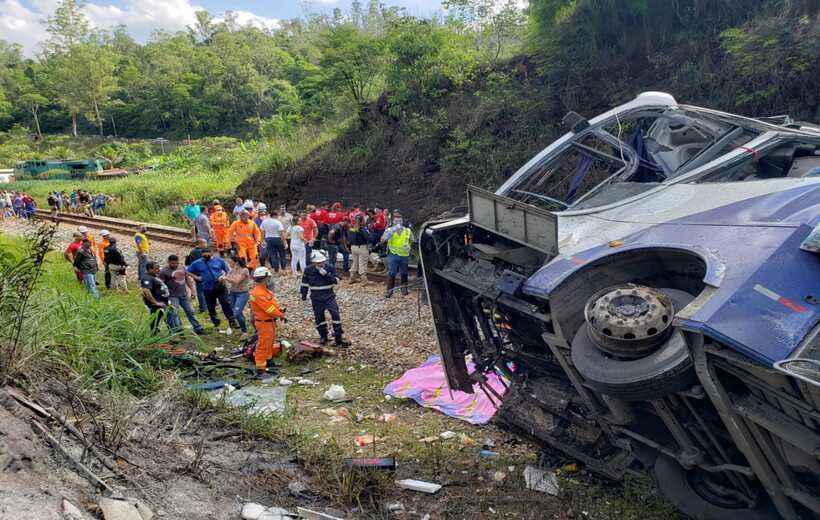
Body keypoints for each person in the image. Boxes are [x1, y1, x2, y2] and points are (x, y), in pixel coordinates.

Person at [300, 251, 351, 348]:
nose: (321, 264)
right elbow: (304, 283)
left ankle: (338, 338)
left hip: (329, 297)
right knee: (319, 318)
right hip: (316, 298)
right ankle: (323, 336)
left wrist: (326, 275)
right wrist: (304, 294)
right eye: (318, 263)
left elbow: (336, 280)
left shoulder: (329, 267)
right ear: (314, 263)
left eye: (322, 262)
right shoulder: (308, 270)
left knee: (335, 315)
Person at [186, 247, 238, 333]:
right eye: (204, 254)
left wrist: (224, 276)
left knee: (225, 302)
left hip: (220, 286)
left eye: (208, 254)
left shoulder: (219, 261)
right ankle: (216, 322)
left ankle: (232, 321)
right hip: (207, 288)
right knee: (211, 307)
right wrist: (196, 277)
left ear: (212, 253)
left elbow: (227, 270)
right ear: (202, 254)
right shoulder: (197, 263)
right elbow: (188, 271)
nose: (206, 255)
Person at [248, 266, 286, 376]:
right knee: (263, 345)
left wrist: (279, 311)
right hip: (264, 322)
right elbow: (268, 309)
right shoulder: (259, 293)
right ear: (265, 278)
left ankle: (269, 362)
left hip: (269, 322)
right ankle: (260, 368)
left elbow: (272, 305)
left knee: (269, 343)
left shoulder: (265, 291)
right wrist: (281, 315)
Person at [160, 255, 204, 335]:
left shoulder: (182, 268)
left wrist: (193, 290)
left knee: (190, 311)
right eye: (173, 263)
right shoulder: (164, 271)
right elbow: (161, 284)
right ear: (168, 262)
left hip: (183, 294)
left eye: (176, 263)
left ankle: (198, 328)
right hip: (172, 296)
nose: (175, 265)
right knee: (174, 313)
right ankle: (179, 330)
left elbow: (187, 279)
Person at [381, 212, 414, 298]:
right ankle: (389, 291)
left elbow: (412, 241)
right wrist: (392, 230)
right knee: (392, 272)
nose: (398, 222)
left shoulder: (408, 231)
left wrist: (409, 248)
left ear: (402, 221)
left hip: (404, 255)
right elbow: (383, 240)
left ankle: (404, 288)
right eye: (396, 221)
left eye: (400, 220)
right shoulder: (389, 230)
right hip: (393, 254)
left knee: (404, 272)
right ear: (393, 222)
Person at [140, 261, 172, 334]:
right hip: (157, 303)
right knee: (156, 318)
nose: (159, 270)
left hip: (163, 302)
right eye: (156, 269)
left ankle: (157, 332)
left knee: (160, 318)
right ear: (149, 269)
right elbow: (146, 291)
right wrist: (155, 302)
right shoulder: (146, 278)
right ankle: (155, 334)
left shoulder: (153, 277)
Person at [224, 256, 252, 338]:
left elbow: (236, 281)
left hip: (242, 293)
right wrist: (223, 278)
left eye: (230, 262)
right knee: (236, 312)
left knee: (236, 313)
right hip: (233, 293)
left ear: (236, 262)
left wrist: (225, 278)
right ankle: (243, 325)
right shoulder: (232, 270)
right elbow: (226, 276)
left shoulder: (245, 270)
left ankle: (244, 332)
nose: (229, 263)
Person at [185, 238, 208, 313]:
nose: (206, 245)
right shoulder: (201, 252)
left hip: (197, 274)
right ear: (200, 244)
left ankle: (203, 306)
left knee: (201, 290)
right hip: (203, 274)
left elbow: (188, 263)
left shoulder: (192, 252)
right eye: (205, 243)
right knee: (202, 291)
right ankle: (204, 307)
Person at [348, 214, 370, 283]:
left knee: (355, 263)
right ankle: (364, 280)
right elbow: (368, 237)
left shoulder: (351, 228)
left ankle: (352, 278)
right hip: (362, 247)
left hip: (353, 247)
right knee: (362, 263)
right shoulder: (363, 228)